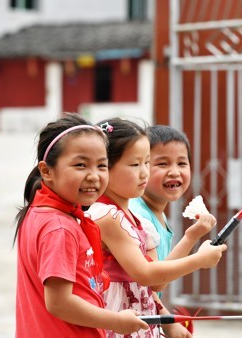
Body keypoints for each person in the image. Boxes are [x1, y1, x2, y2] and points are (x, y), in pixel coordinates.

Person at [85, 118, 227, 338]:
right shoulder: (106, 216)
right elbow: (145, 275)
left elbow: (157, 283)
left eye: (147, 163)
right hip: (119, 323)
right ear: (105, 167)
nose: (144, 172)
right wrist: (200, 260)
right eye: (134, 164)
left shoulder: (135, 220)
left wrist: (191, 236)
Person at [14, 114, 149, 337]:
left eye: (101, 166)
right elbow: (59, 303)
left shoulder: (40, 213)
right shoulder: (59, 227)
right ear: (47, 171)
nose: (94, 176)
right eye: (80, 165)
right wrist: (116, 320)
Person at [129, 125, 216, 337]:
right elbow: (154, 280)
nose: (174, 171)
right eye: (162, 163)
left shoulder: (155, 212)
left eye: (182, 163)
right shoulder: (136, 214)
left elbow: (156, 280)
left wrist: (167, 321)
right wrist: (193, 238)